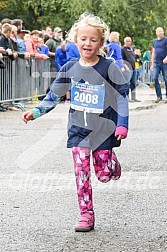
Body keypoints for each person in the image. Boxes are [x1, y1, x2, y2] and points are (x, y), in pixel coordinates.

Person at [22, 13, 129, 232]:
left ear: (100, 42)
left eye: (93, 39)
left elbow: (121, 97)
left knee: (104, 175)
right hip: (78, 130)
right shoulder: (69, 67)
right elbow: (54, 95)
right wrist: (36, 111)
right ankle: (86, 214)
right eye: (83, 39)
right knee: (81, 172)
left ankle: (112, 164)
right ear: (75, 40)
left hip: (104, 130)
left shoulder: (108, 67)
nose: (87, 43)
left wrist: (122, 124)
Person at [121, 36, 140, 102]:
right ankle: (127, 97)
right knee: (127, 83)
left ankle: (133, 97)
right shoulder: (122, 49)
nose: (129, 43)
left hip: (133, 68)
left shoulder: (131, 49)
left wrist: (137, 56)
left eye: (130, 41)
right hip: (127, 69)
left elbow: (134, 57)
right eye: (127, 41)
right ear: (125, 42)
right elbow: (122, 60)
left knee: (133, 83)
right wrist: (125, 67)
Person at [151, 27, 167, 103]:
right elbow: (153, 52)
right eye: (159, 31)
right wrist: (152, 63)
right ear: (156, 32)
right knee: (154, 78)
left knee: (166, 79)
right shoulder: (154, 41)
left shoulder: (166, 40)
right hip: (156, 63)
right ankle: (159, 96)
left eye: (162, 31)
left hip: (164, 63)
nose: (161, 33)